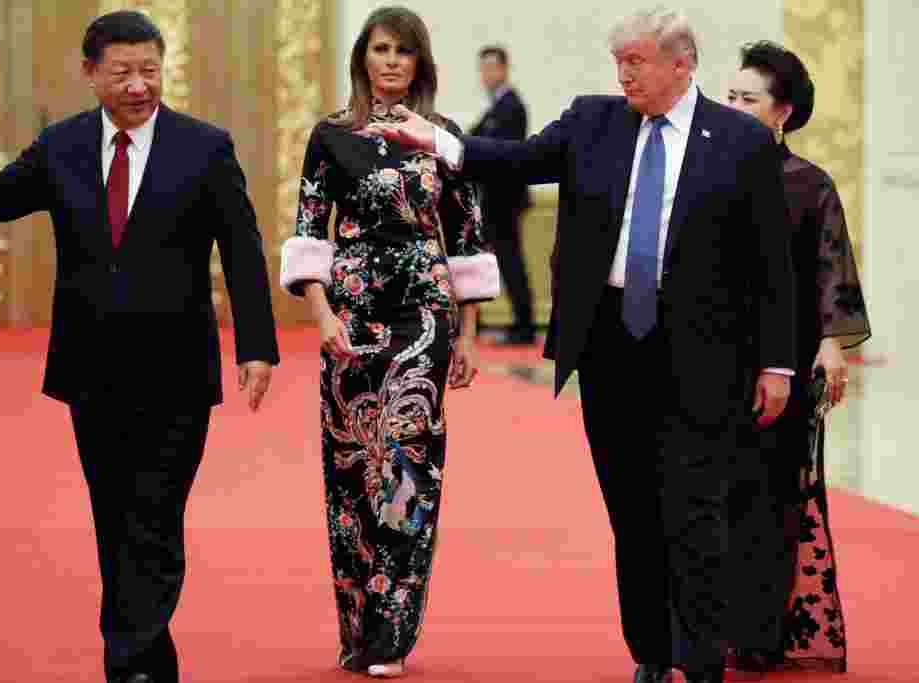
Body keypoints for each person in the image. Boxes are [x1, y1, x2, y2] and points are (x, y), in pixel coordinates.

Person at [369, 8, 796, 683]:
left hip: (704, 355)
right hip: (610, 350)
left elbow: (771, 262)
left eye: (638, 61)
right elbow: (518, 160)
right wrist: (441, 143)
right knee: (633, 509)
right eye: (618, 60)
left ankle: (703, 655)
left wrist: (777, 361)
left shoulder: (740, 141)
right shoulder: (594, 120)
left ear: (682, 65)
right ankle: (653, 652)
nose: (623, 73)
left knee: (696, 508)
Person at [0, 11, 280, 683]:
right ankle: (148, 660)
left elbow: (243, 250)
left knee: (156, 514)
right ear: (90, 73)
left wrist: (256, 345)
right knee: (115, 515)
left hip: (176, 371)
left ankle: (130, 662)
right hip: (91, 368)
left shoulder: (205, 147)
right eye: (122, 72)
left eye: (150, 70)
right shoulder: (62, 147)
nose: (140, 86)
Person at [278, 6, 496, 678]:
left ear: (421, 63)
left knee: (407, 467)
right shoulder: (331, 136)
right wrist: (322, 317)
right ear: (363, 58)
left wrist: (469, 334)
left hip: (423, 321)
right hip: (351, 318)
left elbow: (466, 239)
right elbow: (310, 231)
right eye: (381, 48)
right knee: (351, 471)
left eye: (405, 51)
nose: (393, 61)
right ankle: (357, 625)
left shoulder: (446, 137)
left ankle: (392, 632)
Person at [724, 40, 870, 677]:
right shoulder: (708, 175)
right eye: (727, 96)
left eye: (746, 98)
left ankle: (759, 632)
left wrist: (832, 346)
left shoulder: (809, 184)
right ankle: (706, 628)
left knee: (774, 495)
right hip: (712, 361)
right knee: (708, 495)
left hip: (784, 360)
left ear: (781, 113)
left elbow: (830, 269)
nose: (730, 106)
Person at [469, 45, 535, 345]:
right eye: (482, 68)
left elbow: (497, 149)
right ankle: (478, 322)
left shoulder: (511, 106)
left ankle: (524, 325)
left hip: (504, 200)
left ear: (504, 69)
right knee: (490, 260)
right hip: (493, 200)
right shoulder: (496, 106)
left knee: (510, 262)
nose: (486, 74)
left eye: (491, 68)